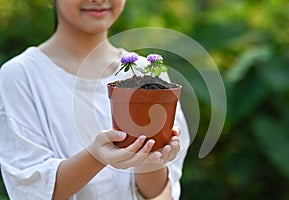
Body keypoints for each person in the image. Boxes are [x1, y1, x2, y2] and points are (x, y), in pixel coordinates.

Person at [0, 0, 190, 199]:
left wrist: (150, 157)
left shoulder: (147, 73)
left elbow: (159, 194)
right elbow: (31, 190)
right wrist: (96, 156)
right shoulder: (20, 76)